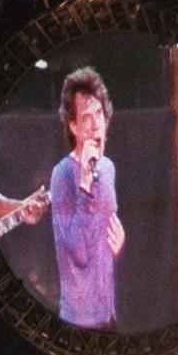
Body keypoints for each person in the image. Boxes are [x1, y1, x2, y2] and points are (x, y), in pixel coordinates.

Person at [50, 67, 125, 329]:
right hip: (79, 320)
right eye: (86, 118)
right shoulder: (62, 175)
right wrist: (84, 185)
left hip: (108, 313)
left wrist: (118, 243)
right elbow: (79, 253)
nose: (95, 125)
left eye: (99, 115)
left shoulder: (108, 168)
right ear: (73, 126)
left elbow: (104, 237)